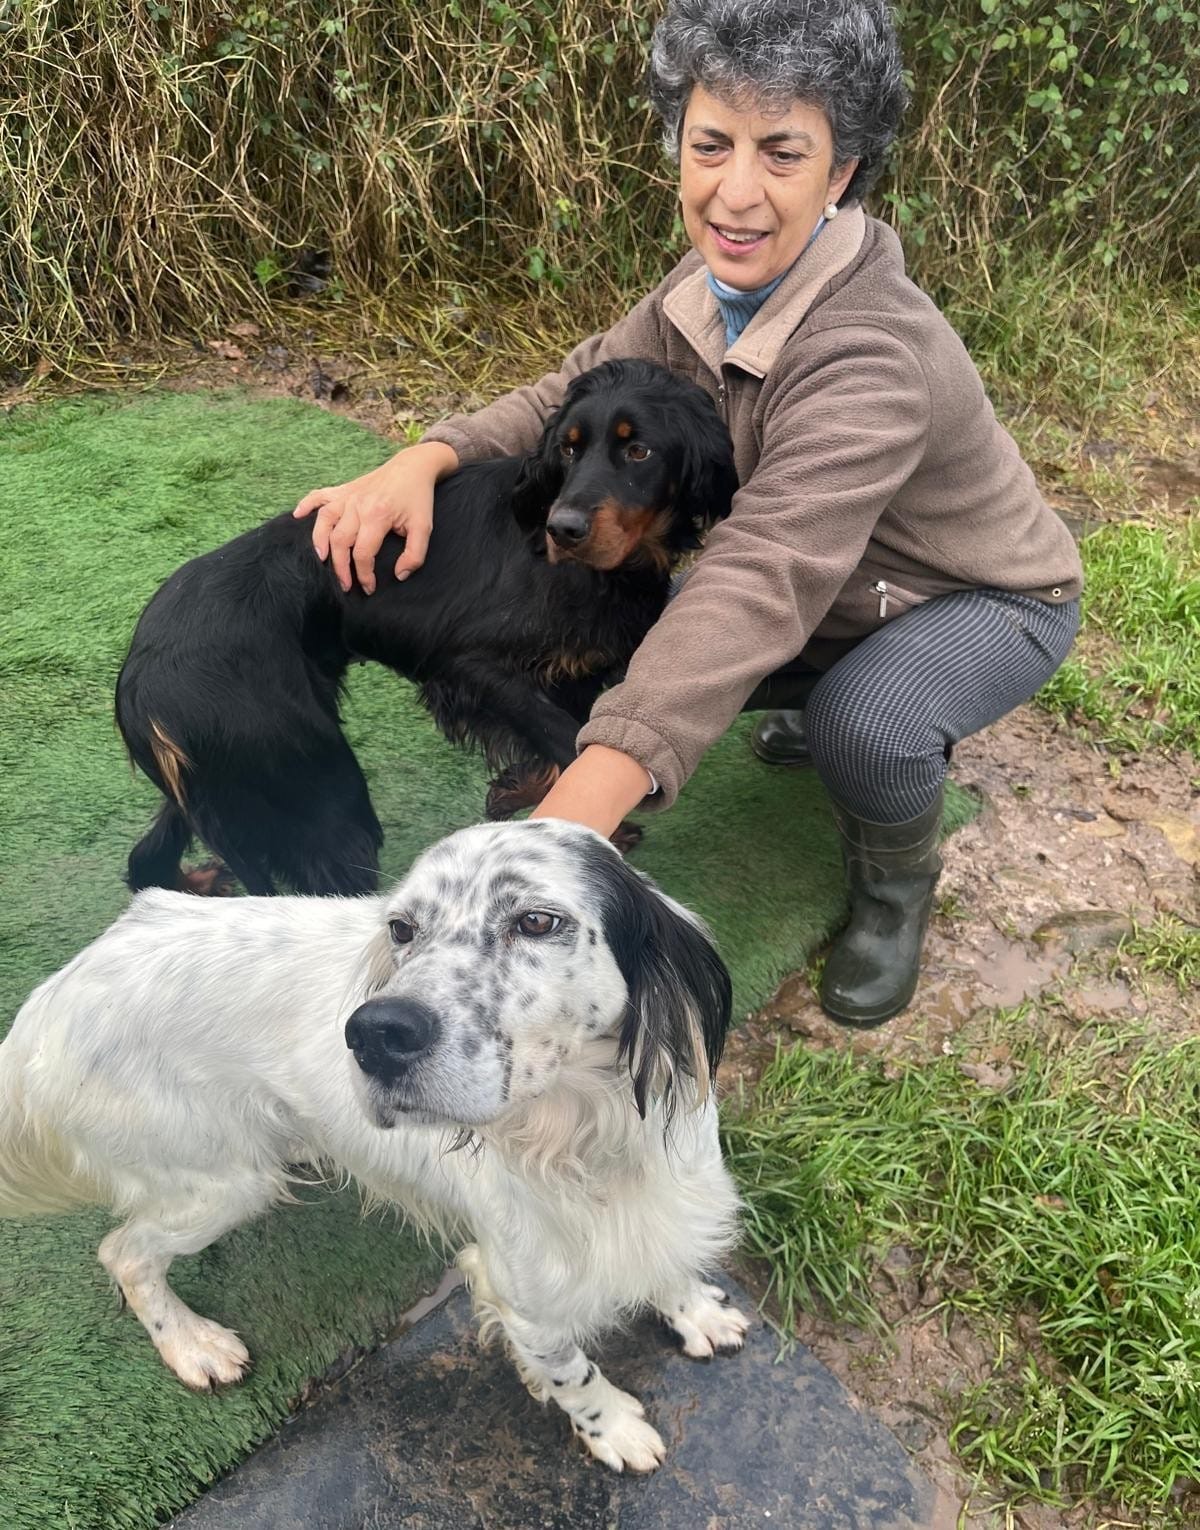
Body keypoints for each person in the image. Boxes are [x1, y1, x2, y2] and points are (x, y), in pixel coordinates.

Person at [293, 0, 1082, 1028]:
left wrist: (570, 821)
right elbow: (571, 391)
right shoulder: (708, 284)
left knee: (866, 722)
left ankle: (895, 891)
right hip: (837, 590)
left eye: (782, 153)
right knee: (615, 617)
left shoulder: (873, 357)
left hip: (975, 600)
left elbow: (760, 575)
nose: (735, 192)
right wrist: (426, 455)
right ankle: (827, 687)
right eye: (711, 145)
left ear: (840, 172)